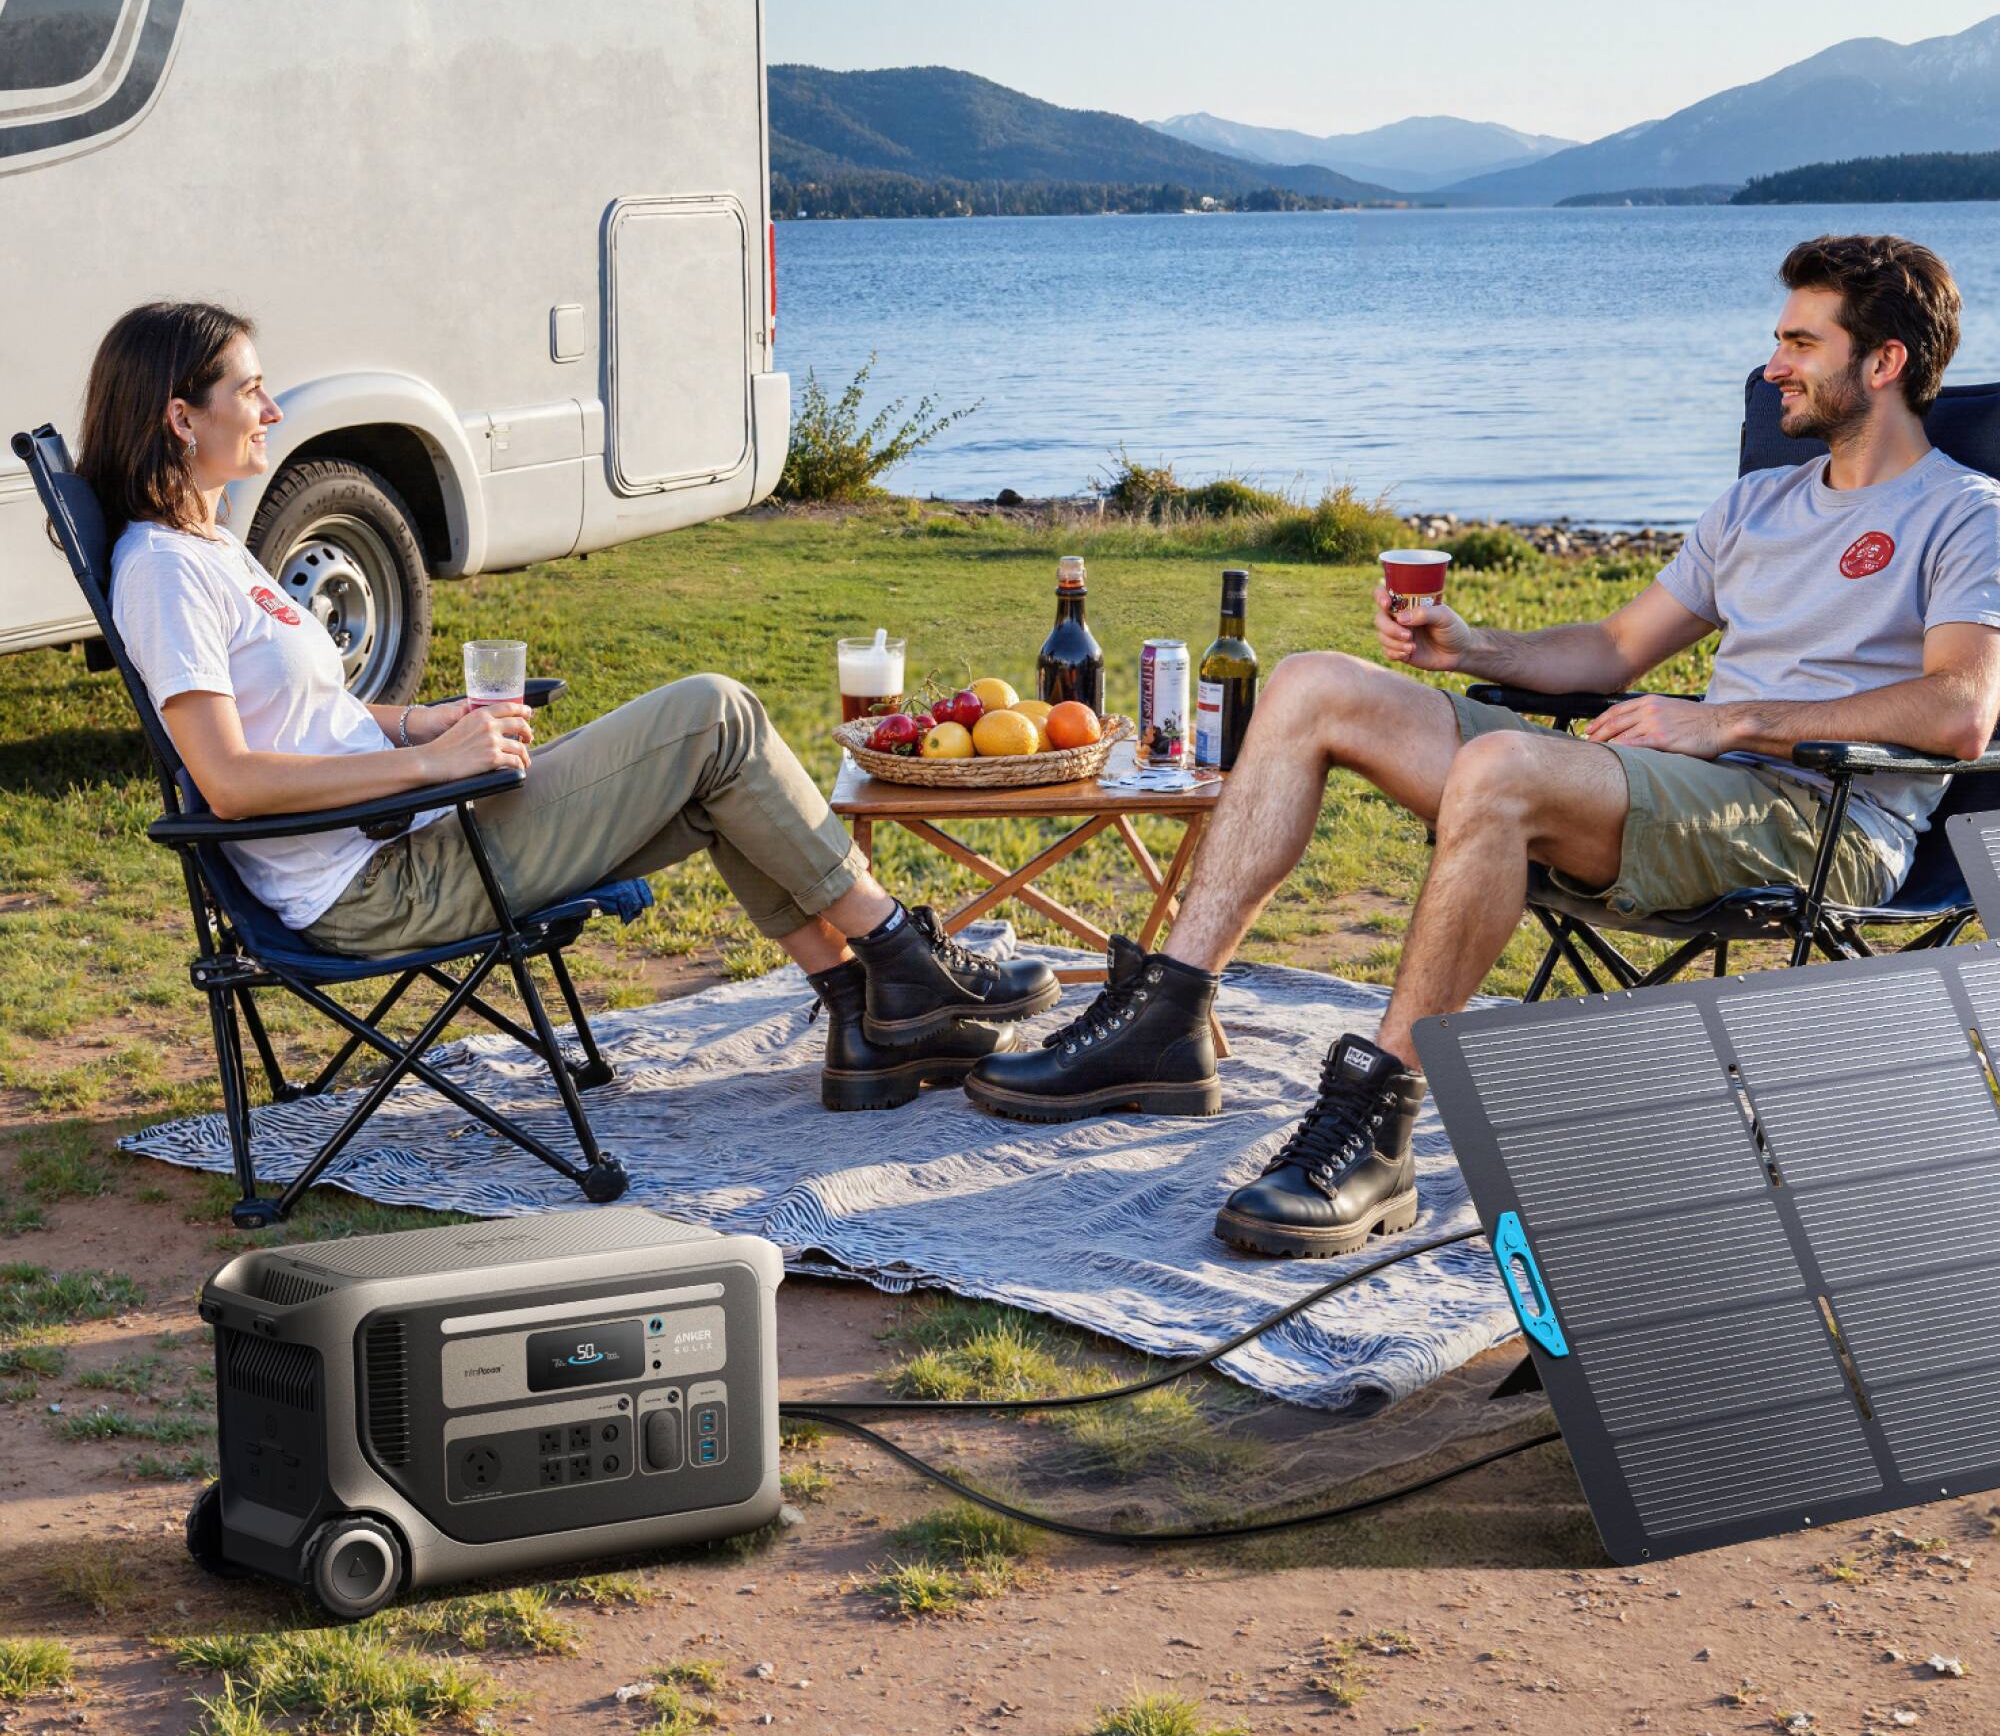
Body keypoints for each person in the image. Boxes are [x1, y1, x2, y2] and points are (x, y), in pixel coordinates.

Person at [966, 234, 2000, 1255]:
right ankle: (1167, 1017)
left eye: (1798, 342)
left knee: (1500, 768)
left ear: (1884, 361)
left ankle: (1374, 1131)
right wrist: (1468, 644)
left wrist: (1732, 719)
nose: (1771, 364)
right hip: (1685, 786)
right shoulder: (1755, 503)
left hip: (1817, 820)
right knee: (1310, 681)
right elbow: (1612, 646)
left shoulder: (1961, 514)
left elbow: (1958, 710)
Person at [81, 301, 1061, 1111]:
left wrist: (424, 722)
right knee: (714, 716)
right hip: (376, 882)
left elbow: (302, 717)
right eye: (249, 388)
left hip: (418, 831)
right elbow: (229, 779)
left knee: (710, 778)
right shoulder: (162, 571)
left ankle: (863, 1012)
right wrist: (432, 765)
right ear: (178, 416)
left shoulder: (212, 548)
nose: (270, 407)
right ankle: (900, 966)